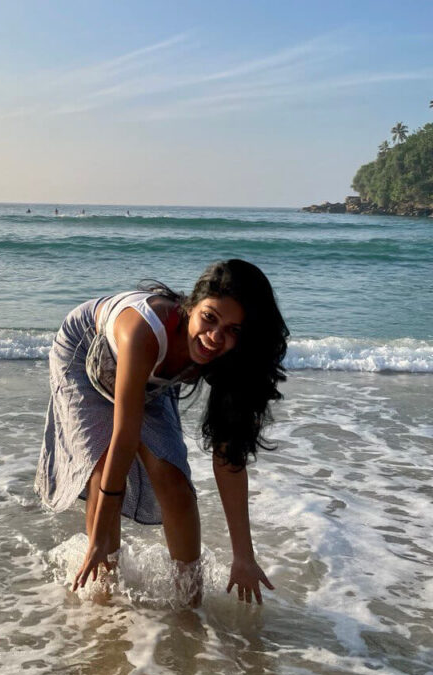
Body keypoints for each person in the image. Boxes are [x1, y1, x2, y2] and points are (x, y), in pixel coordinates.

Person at [35, 259, 289, 604]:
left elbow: (229, 458)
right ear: (190, 307)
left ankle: (189, 603)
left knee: (173, 478)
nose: (215, 337)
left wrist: (243, 556)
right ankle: (102, 597)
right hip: (87, 354)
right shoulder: (144, 330)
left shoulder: (225, 356)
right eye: (209, 318)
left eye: (234, 330)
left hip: (152, 372)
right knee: (105, 466)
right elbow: (126, 433)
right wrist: (96, 536)